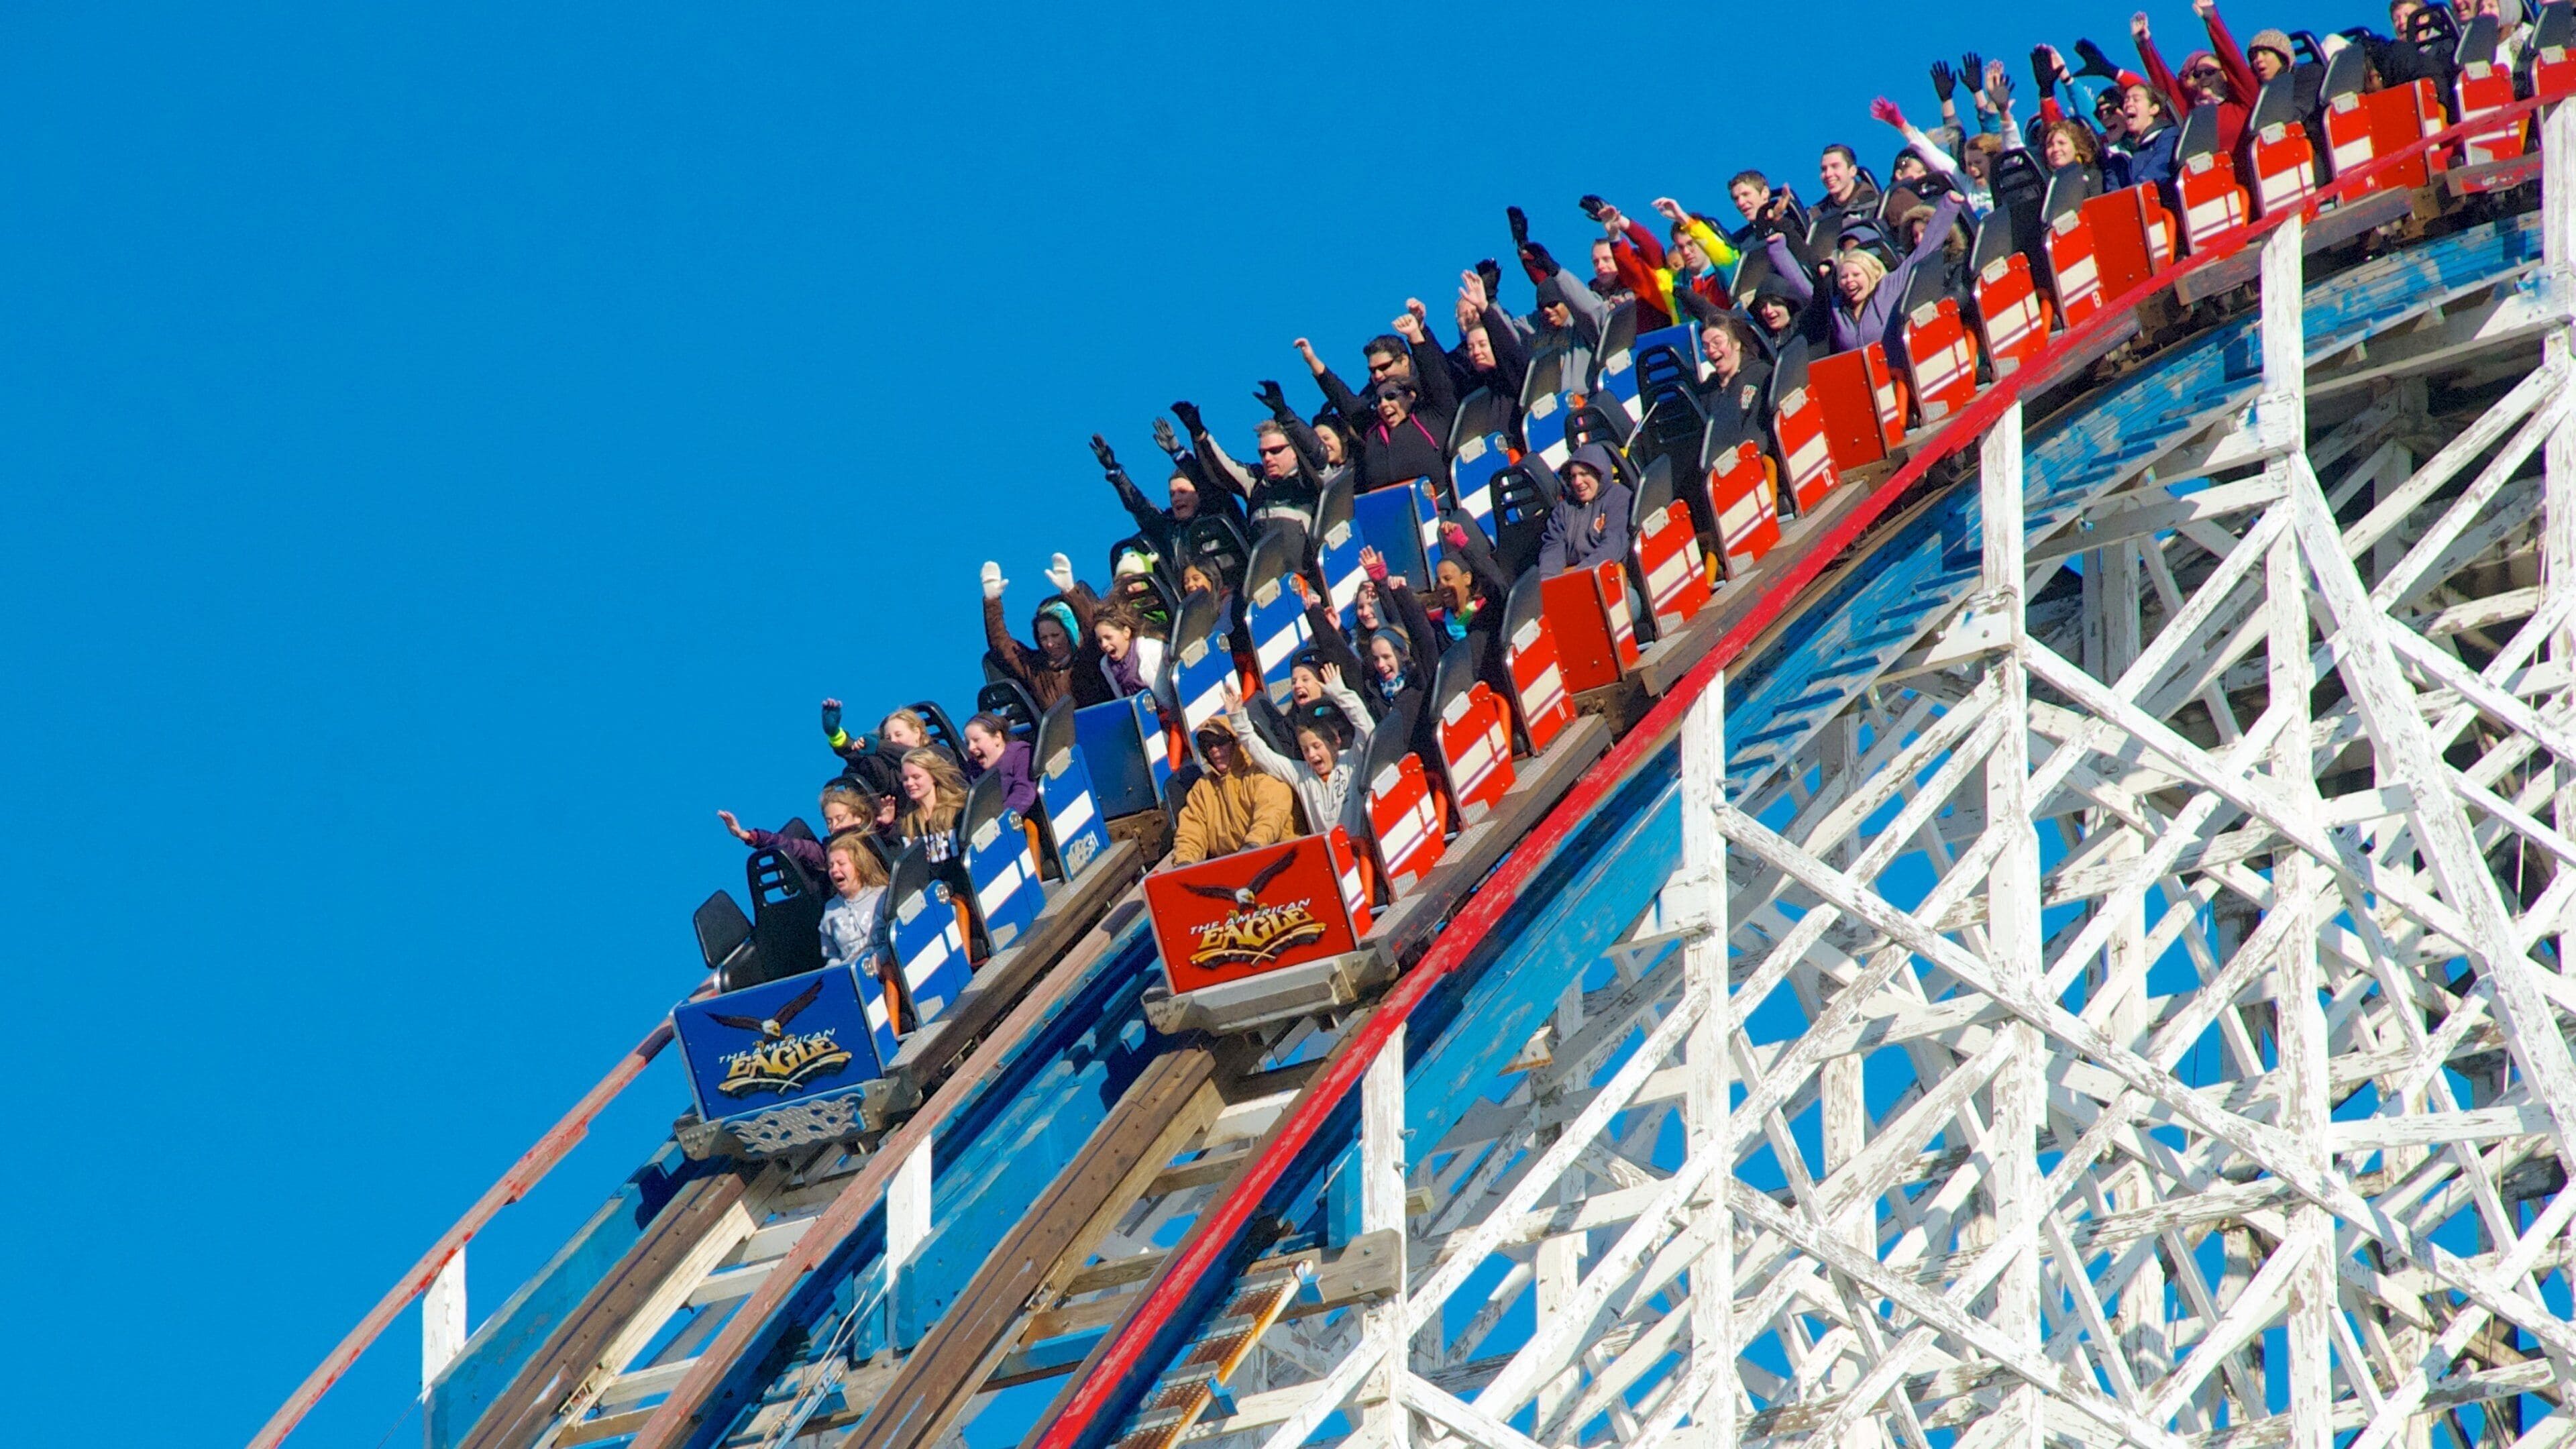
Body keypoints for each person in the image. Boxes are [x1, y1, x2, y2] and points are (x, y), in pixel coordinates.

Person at [1762, 189, 1970, 363]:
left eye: (1856, 275)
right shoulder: (1837, 306)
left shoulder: (1891, 285)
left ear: (1872, 273)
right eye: (1844, 277)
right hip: (1865, 383)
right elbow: (1804, 286)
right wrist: (1777, 249)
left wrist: (1949, 206)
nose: (1849, 281)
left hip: (1905, 371)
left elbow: (1924, 251)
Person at [1301, 303, 1460, 490]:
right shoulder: (1373, 428)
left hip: (1438, 503)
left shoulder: (1433, 413)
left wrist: (1415, 335)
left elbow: (1434, 376)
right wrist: (1312, 361)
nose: (1384, 404)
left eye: (1391, 396)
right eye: (1379, 400)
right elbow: (1344, 402)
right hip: (1388, 506)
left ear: (1410, 396)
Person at [1223, 666, 1377, 839]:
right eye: (1305, 749)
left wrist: (1341, 694)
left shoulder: (1352, 760)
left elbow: (1366, 728)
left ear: (1336, 742)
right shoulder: (1301, 774)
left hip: (1363, 847)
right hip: (1330, 852)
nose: (1311, 755)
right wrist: (1238, 718)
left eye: (1317, 746)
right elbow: (1263, 755)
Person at [1169, 716, 1299, 866]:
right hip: (1231, 869)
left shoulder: (1263, 774)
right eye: (1208, 745)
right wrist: (1184, 862)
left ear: (1237, 743)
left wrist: (1253, 846)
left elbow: (1271, 814)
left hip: (1280, 860)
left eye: (1220, 742)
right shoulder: (1202, 789)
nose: (1214, 750)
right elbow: (1190, 832)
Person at [983, 555, 1107, 710]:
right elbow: (1001, 644)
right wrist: (992, 601)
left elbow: (1092, 626)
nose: (1050, 644)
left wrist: (1070, 591)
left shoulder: (1088, 656)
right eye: (1043, 638)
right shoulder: (1036, 669)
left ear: (1070, 632)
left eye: (1056, 635)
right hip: (1060, 727)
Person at [716, 780, 877, 888]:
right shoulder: (826, 852)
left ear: (858, 818)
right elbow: (790, 845)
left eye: (839, 819)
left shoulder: (877, 842)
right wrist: (746, 835)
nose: (834, 826)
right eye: (829, 821)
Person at [1539, 443, 1635, 578]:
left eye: (1584, 474)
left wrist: (1580, 576)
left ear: (1599, 474)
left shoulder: (1619, 497)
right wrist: (1549, 581)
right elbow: (1553, 546)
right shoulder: (1563, 509)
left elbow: (1614, 544)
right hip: (1572, 579)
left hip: (1611, 576)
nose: (1577, 482)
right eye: (1573, 476)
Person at [819, 830, 892, 981]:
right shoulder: (830, 910)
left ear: (858, 866)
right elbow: (832, 956)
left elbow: (897, 936)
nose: (834, 870)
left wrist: (879, 959)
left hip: (886, 971)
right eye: (831, 866)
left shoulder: (882, 896)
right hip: (854, 978)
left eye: (841, 864)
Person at [1093, 598, 1171, 715]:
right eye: (1100, 641)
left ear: (1126, 633)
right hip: (1144, 717)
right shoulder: (1106, 665)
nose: (1104, 645)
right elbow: (1121, 699)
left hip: (1170, 712)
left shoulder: (1152, 649)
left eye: (1108, 638)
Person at [895, 747, 969, 862]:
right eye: (905, 779)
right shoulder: (905, 822)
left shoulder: (960, 811)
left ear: (933, 777)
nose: (909, 783)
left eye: (916, 777)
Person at [961, 712, 1039, 817]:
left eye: (976, 740)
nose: (971, 748)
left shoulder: (1021, 754)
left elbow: (1025, 793)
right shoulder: (973, 772)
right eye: (968, 743)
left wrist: (999, 819)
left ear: (997, 737)